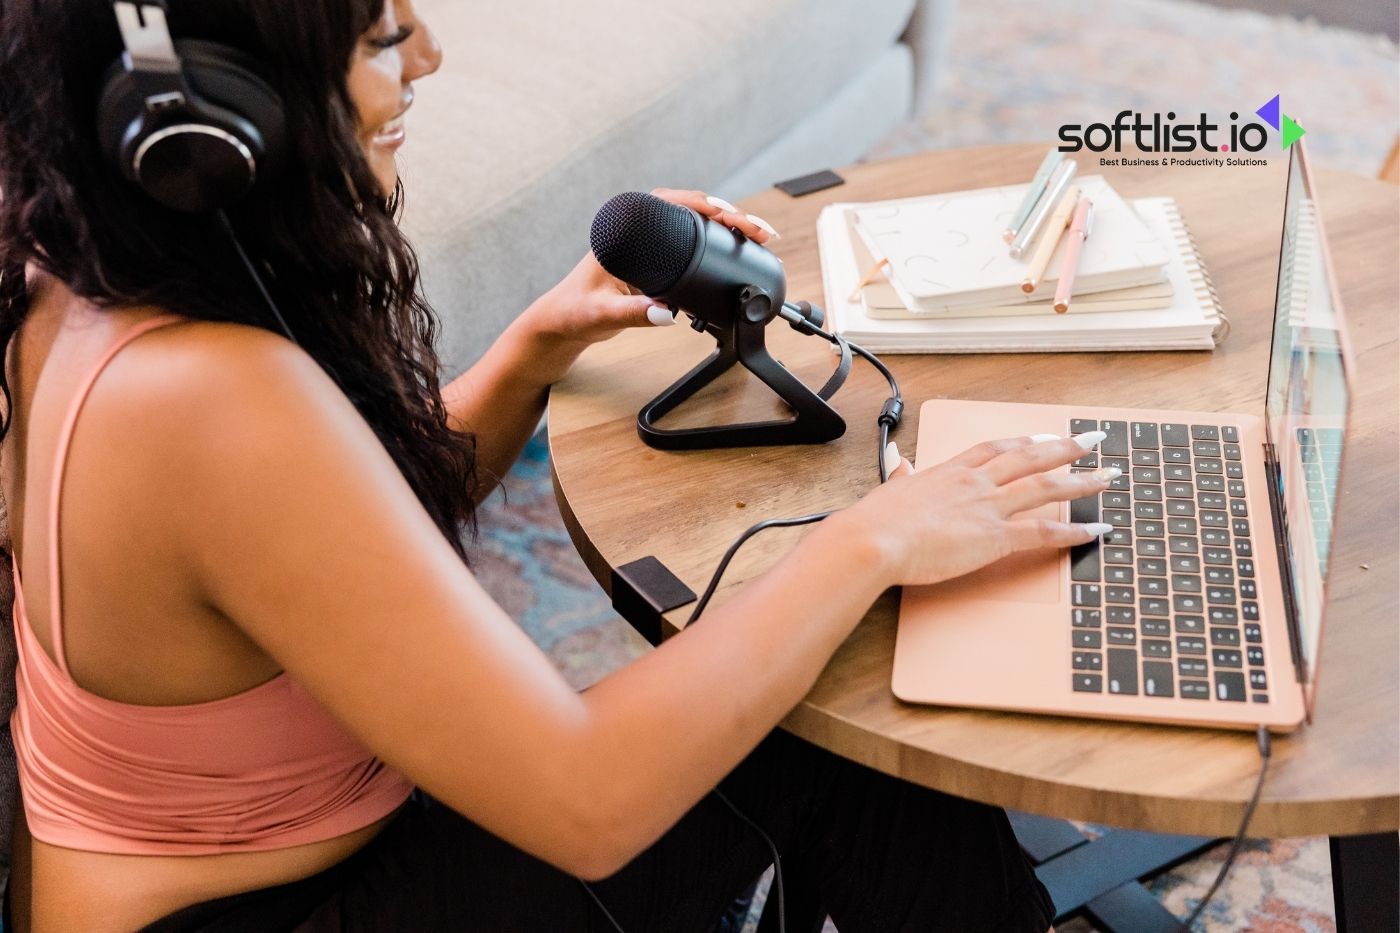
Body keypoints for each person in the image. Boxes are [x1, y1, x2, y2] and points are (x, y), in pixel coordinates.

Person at [0, 1, 1113, 930]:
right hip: (268, 916)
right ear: (211, 121)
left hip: (267, 866)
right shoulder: (210, 402)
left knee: (793, 675)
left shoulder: (83, 269)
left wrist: (533, 344)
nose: (427, 56)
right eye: (382, 38)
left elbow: (326, 537)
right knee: (836, 733)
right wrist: (872, 539)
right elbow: (586, 801)